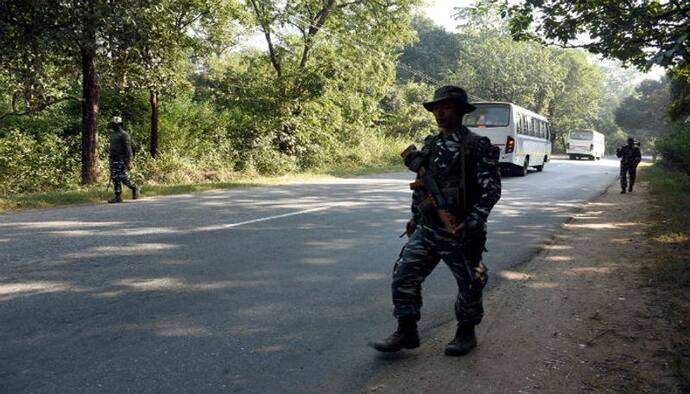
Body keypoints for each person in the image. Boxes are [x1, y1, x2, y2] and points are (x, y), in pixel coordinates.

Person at [369, 86, 501, 356]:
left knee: (470, 281)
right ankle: (406, 330)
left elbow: (491, 190)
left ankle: (466, 332)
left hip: (460, 230)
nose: (439, 113)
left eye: (447, 107)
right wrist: (415, 217)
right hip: (429, 228)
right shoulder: (430, 145)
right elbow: (423, 187)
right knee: (404, 274)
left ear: (462, 111)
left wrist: (473, 221)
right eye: (436, 108)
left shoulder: (477, 146)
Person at [108, 116, 140, 203]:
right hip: (113, 159)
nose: (113, 126)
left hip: (122, 159)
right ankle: (118, 196)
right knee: (115, 178)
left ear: (119, 125)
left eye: (115, 124)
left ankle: (134, 187)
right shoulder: (112, 134)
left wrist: (130, 161)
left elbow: (128, 148)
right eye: (113, 124)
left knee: (122, 177)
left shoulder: (124, 134)